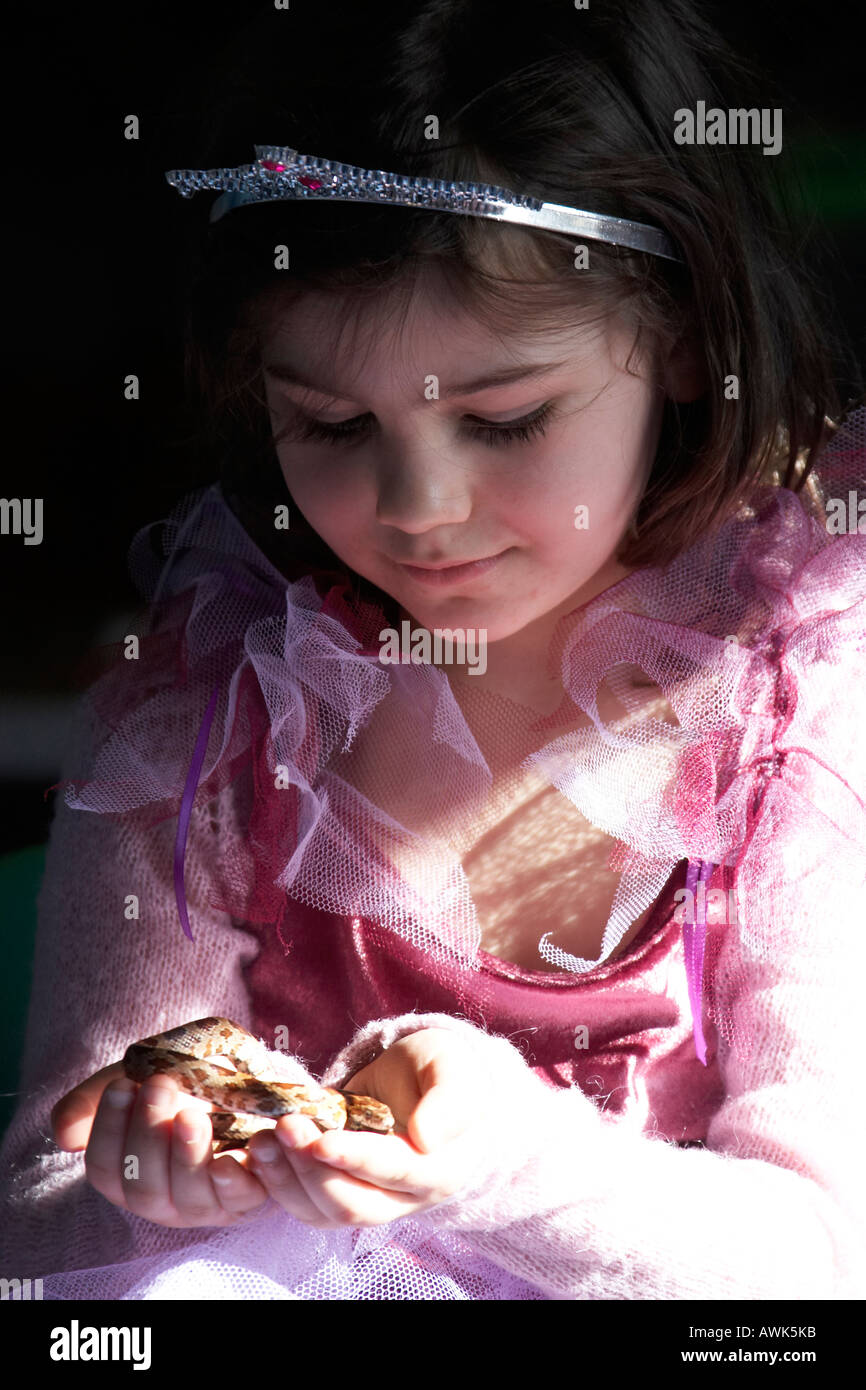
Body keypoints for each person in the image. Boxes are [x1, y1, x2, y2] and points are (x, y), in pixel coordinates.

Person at [2, 0, 865, 1300]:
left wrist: (502, 1164)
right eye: (330, 424)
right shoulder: (207, 724)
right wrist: (149, 1181)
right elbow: (34, 1224)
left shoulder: (792, 714)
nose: (415, 506)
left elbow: (820, 1261)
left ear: (679, 338)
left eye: (504, 417)